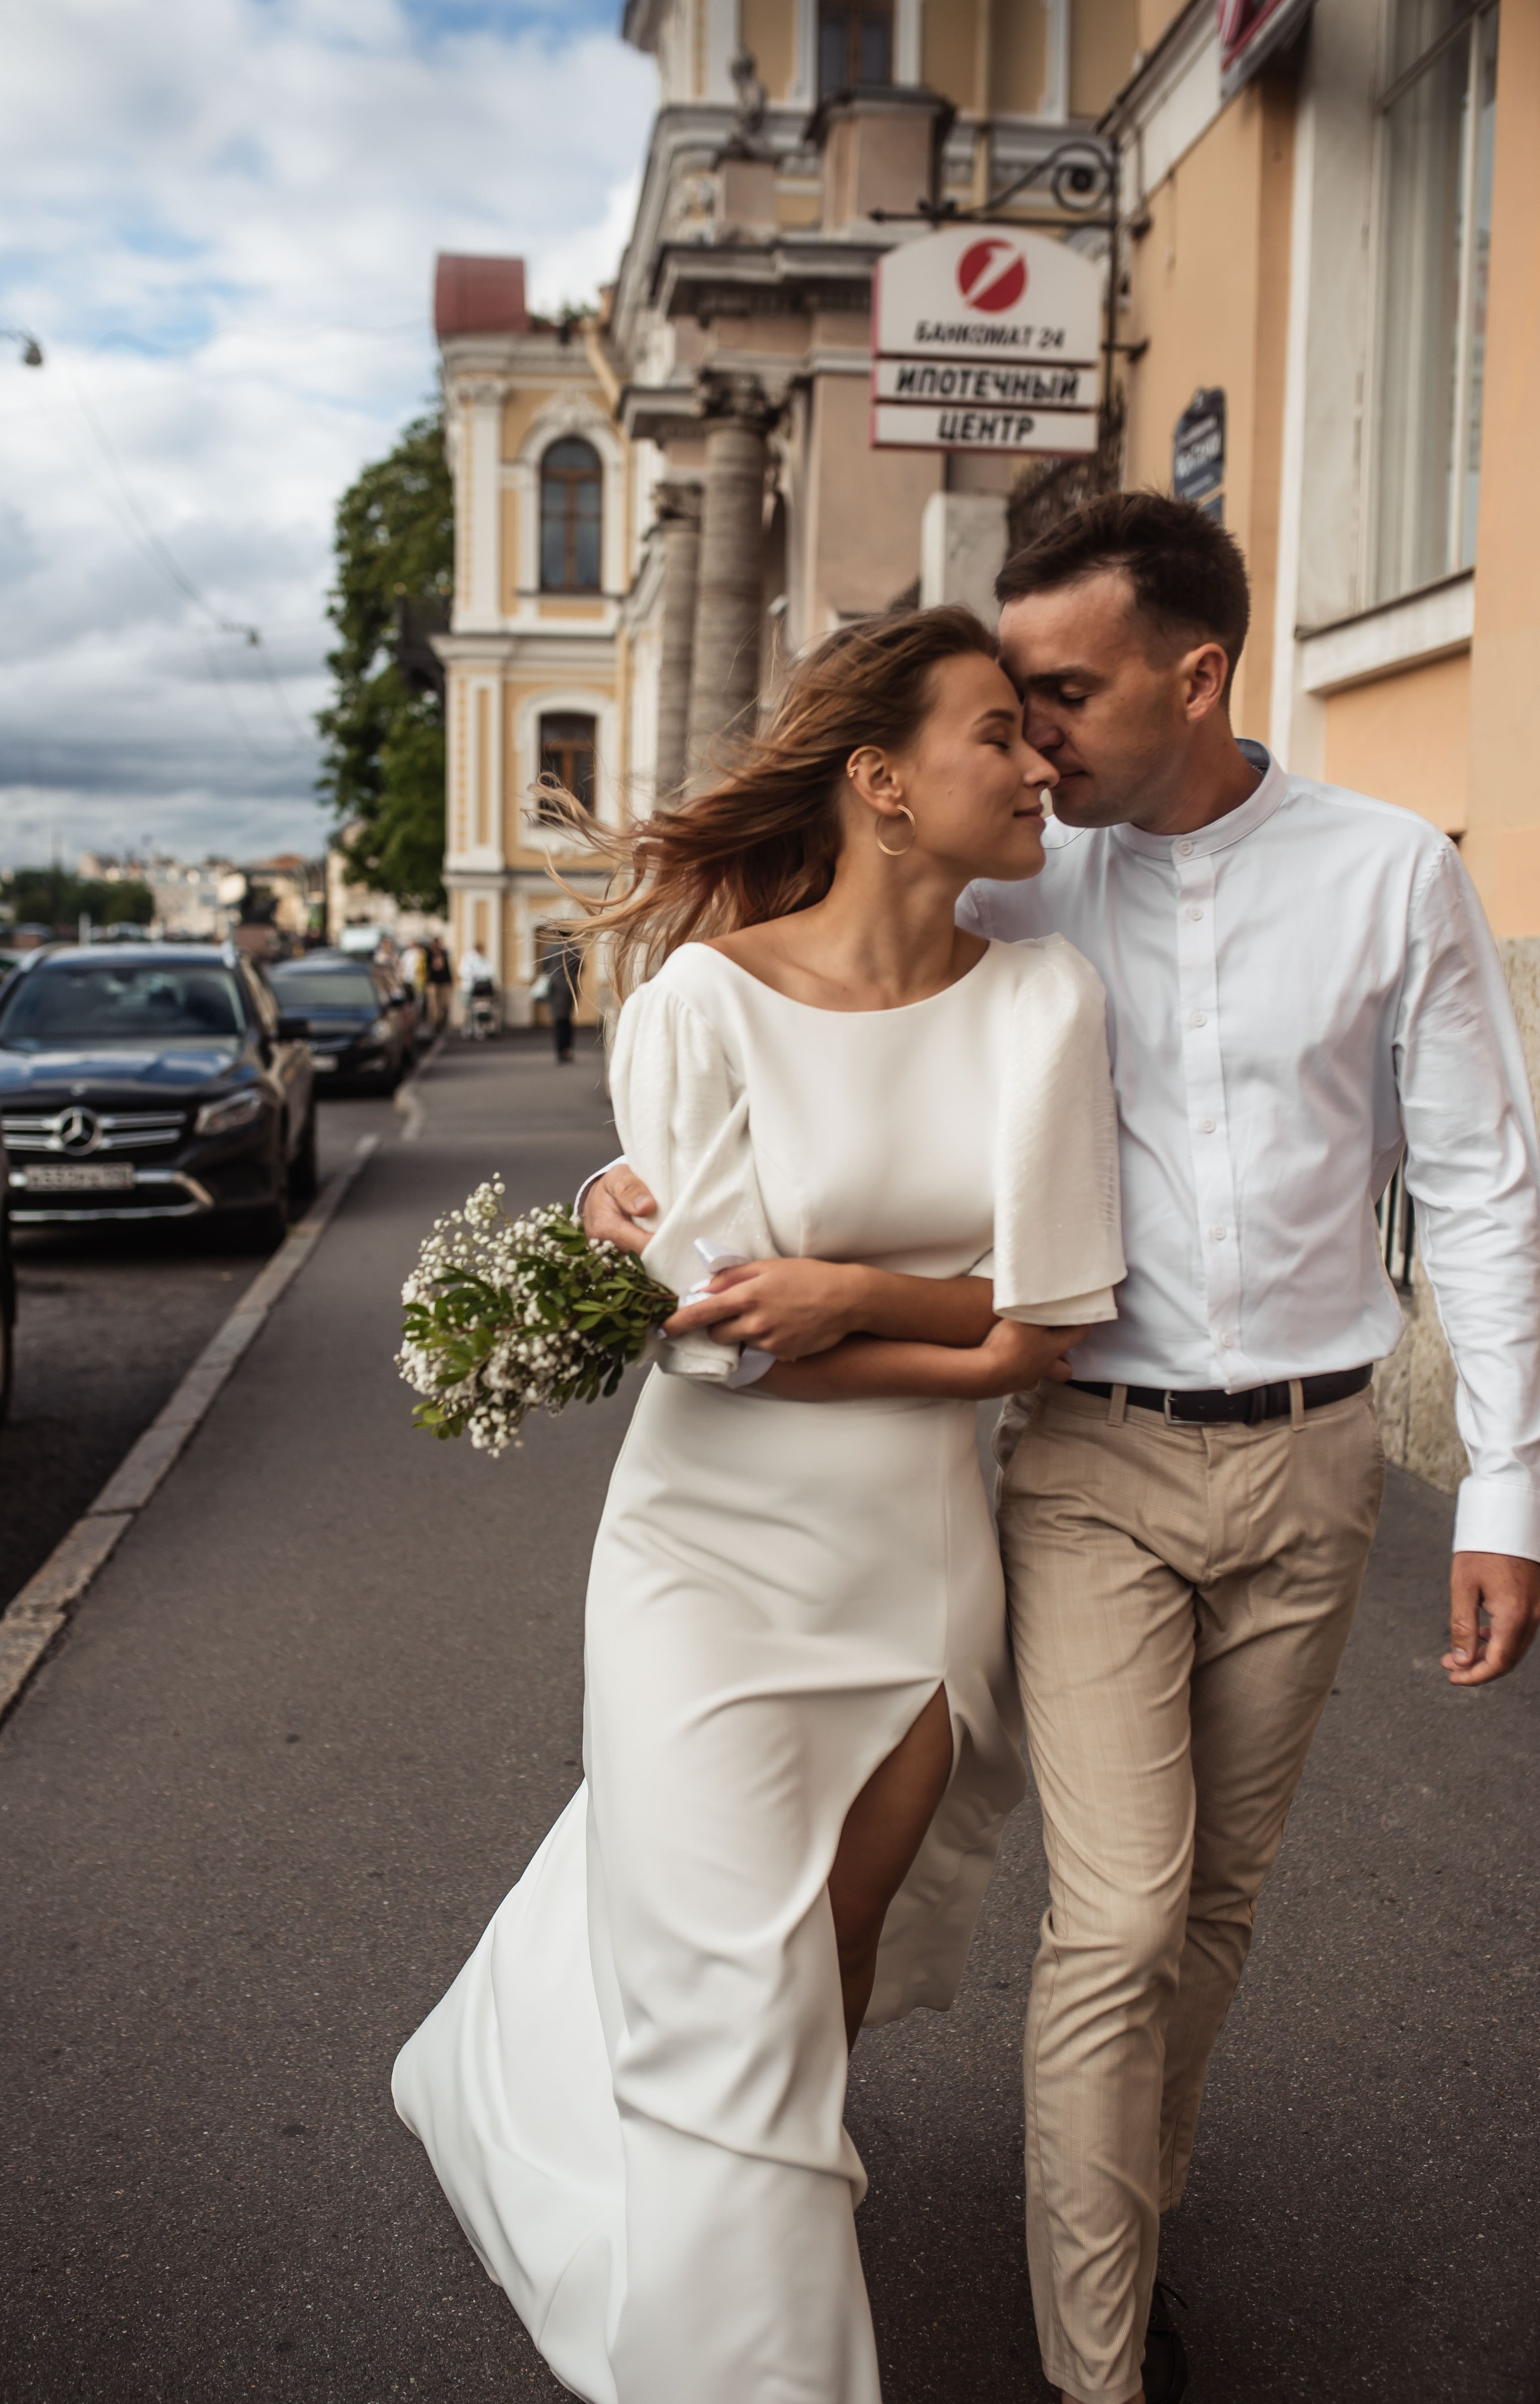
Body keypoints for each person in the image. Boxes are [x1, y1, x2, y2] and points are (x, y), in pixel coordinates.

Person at [590, 493, 1540, 2404]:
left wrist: (1504, 1487)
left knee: (1210, 1908)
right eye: (1009, 704)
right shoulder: (1012, 870)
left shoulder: (1386, 876)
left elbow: (1483, 1184)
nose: (1032, 741)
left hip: (1318, 1462)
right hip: (1078, 1460)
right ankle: (1093, 2361)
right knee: (1111, 1917)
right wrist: (647, 1190)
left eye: (1067, 695)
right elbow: (812, 990)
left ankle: (1120, 2213)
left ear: (1197, 678)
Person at [392, 607, 1127, 2402]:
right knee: (737, 2012)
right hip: (704, 1563)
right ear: (882, 782)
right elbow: (720, 1350)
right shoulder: (699, 1002)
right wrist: (913, 1326)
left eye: (1042, 741)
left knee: (820, 1987)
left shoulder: (1046, 994)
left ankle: (731, 2240)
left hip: (912, 1573)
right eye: (998, 737)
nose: (1043, 768)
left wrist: (855, 1298)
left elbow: (1056, 1319)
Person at [541, 928, 583, 1063]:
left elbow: (544, 968)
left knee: (558, 1020)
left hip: (554, 988)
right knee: (567, 1020)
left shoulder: (550, 949)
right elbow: (581, 968)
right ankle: (567, 1050)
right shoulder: (574, 949)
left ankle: (560, 1050)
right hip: (570, 988)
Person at [424, 937, 453, 1034]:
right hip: (433, 982)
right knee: (433, 1005)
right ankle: (434, 1024)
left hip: (443, 982)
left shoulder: (443, 954)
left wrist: (450, 981)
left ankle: (441, 1024)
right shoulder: (429, 954)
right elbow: (426, 969)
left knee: (443, 1004)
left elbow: (448, 968)